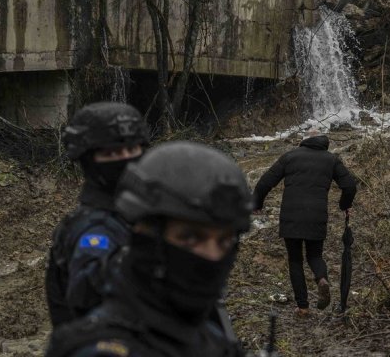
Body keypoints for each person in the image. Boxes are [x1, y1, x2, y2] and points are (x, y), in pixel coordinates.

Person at [46, 141, 253, 357]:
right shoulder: (105, 349)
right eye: (190, 238)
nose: (212, 256)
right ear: (146, 234)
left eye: (224, 242)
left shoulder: (204, 333)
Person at [45, 102, 149, 327]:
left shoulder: (135, 215)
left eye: (132, 150)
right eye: (112, 153)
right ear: (88, 158)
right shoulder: (94, 229)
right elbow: (93, 298)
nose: (125, 159)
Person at [252, 129, 356, 318]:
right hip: (316, 216)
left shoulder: (290, 157)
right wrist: (345, 205)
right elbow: (350, 185)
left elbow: (264, 183)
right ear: (322, 141)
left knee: (295, 260)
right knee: (315, 256)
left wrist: (257, 204)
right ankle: (322, 279)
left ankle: (303, 307)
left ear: (304, 141)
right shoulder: (330, 159)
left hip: (291, 217)